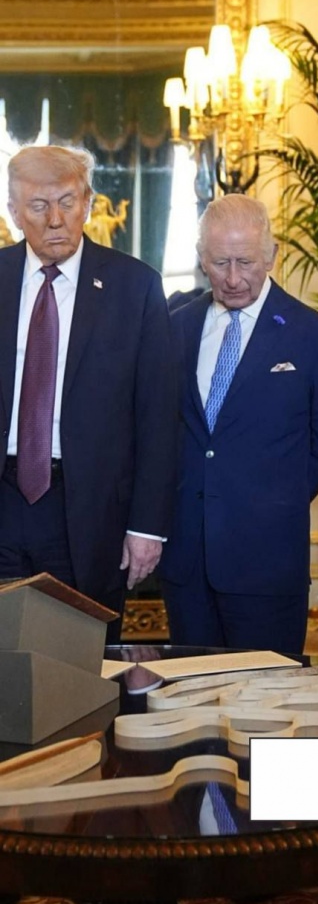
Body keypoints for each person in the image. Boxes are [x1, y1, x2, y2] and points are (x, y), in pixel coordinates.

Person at [160, 194, 318, 654]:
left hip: (267, 559)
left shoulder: (314, 335)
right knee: (191, 688)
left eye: (244, 262)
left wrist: (271, 499)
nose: (232, 278)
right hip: (186, 560)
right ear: (201, 258)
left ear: (271, 255)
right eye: (219, 263)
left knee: (266, 688)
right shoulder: (174, 328)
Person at [0, 145, 177, 642]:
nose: (55, 219)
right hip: (5, 498)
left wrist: (147, 527)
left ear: (89, 203)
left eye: (67, 202)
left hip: (90, 510)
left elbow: (158, 416)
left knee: (80, 658)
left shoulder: (135, 287)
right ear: (13, 211)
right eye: (39, 206)